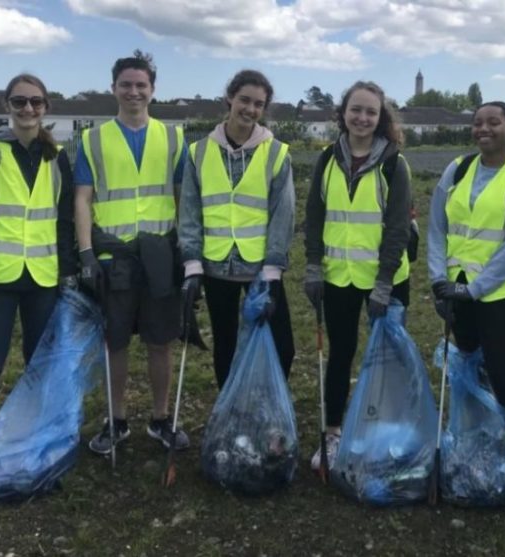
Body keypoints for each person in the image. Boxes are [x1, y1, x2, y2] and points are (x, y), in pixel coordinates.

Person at [74, 50, 190, 456]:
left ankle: (161, 419)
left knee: (161, 341)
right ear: (113, 89)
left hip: (160, 254)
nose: (134, 92)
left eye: (141, 85)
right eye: (126, 84)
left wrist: (188, 251)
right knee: (115, 342)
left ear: (153, 91)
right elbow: (83, 200)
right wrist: (86, 254)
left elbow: (184, 199)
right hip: (114, 256)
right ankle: (117, 420)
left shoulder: (175, 138)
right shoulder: (92, 139)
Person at [303, 81, 412, 472]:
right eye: (356, 110)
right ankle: (333, 434)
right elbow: (314, 217)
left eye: (371, 112)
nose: (362, 118)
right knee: (340, 354)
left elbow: (398, 228)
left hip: (385, 281)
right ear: (343, 113)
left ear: (380, 118)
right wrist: (313, 266)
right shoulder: (327, 160)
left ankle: (390, 433)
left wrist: (384, 284)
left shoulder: (394, 164)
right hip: (339, 278)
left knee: (388, 359)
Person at [0, 73, 76, 444]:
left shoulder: (57, 158)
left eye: (35, 102)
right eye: (19, 101)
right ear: (6, 106)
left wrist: (68, 271)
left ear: (46, 107)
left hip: (42, 276)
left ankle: (34, 431)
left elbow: (64, 221)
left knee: (38, 361)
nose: (28, 108)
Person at [427, 101, 505, 421]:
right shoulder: (458, 168)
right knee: (467, 370)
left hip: (497, 294)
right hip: (454, 288)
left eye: (493, 122)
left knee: (502, 374)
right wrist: (439, 280)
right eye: (478, 122)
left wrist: (476, 289)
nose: (484, 129)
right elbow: (438, 227)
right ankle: (475, 434)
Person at [178, 69, 296, 390]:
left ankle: (266, 406)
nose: (250, 109)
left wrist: (273, 270)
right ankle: (231, 415)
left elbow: (283, 214)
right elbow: (189, 214)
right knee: (226, 348)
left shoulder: (275, 153)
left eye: (259, 104)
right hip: (217, 268)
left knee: (283, 347)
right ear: (230, 98)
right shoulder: (198, 152)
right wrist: (191, 265)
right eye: (244, 100)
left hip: (261, 270)